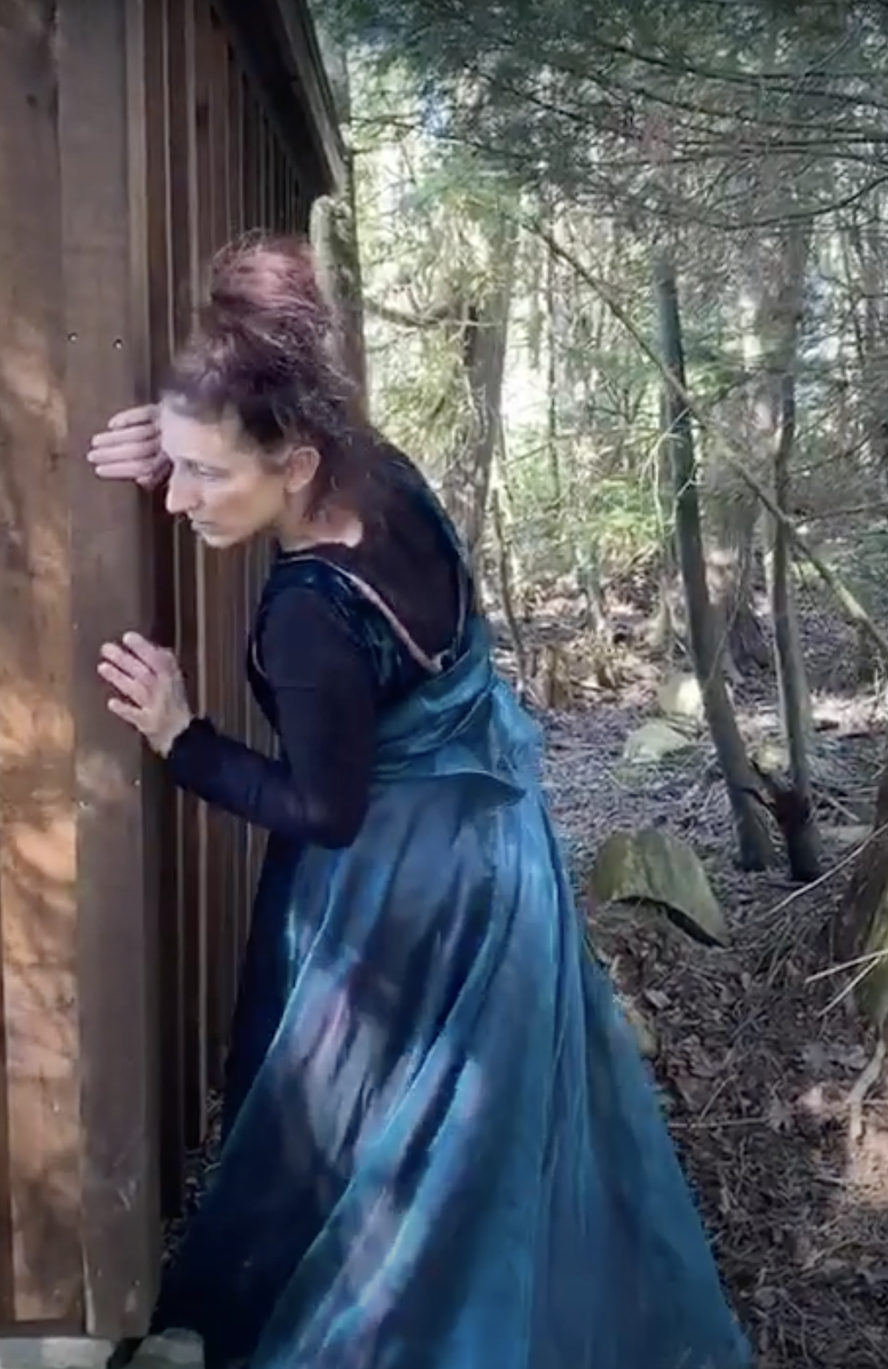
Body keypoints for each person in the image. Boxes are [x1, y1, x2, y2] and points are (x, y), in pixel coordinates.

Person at [85, 233, 752, 1369]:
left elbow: (324, 810)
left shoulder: (307, 612)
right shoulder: (371, 466)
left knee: (363, 1122)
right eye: (178, 469)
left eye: (207, 474)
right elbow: (266, 425)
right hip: (500, 848)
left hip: (402, 892)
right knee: (490, 1135)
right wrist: (186, 423)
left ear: (292, 459)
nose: (181, 499)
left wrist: (181, 738)